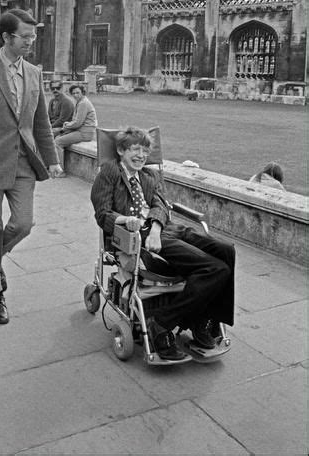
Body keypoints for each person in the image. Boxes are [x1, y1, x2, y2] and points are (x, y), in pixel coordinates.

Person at [91, 126, 235, 362]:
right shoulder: (110, 172)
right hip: (134, 236)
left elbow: (160, 205)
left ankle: (205, 321)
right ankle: (164, 323)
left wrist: (156, 229)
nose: (141, 156)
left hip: (164, 230)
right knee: (215, 269)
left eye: (145, 151)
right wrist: (127, 220)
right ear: (120, 150)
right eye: (135, 150)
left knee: (227, 251)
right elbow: (102, 213)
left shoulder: (150, 175)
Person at [0, 8, 63, 325]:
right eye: (26, 37)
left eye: (34, 36)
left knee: (23, 224)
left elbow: (41, 122)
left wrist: (53, 159)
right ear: (7, 37)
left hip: (23, 163)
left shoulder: (34, 73)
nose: (31, 42)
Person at [54, 84, 97, 173]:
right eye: (73, 93)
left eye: (78, 93)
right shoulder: (80, 102)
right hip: (81, 131)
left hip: (84, 133)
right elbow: (76, 121)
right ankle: (55, 166)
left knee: (58, 142)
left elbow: (78, 123)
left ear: (83, 93)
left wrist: (66, 126)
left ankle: (60, 171)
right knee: (58, 137)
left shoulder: (83, 103)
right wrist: (68, 125)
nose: (75, 95)